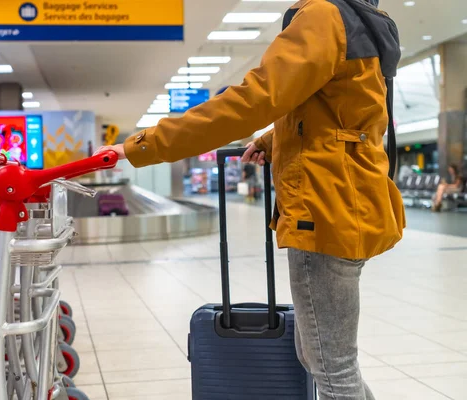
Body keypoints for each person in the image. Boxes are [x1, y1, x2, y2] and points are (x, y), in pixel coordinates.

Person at [97, 0, 405, 398]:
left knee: (332, 368)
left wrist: (146, 144)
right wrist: (273, 140)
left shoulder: (325, 16)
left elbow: (251, 101)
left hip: (325, 208)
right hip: (351, 201)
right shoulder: (368, 19)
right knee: (327, 361)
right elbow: (348, 113)